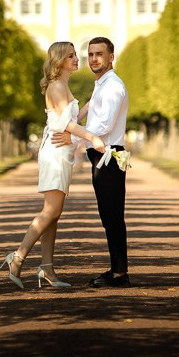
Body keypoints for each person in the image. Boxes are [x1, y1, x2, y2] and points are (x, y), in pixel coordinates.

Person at [0, 41, 106, 291]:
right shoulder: (57, 86)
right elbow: (65, 125)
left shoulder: (62, 85)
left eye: (75, 55)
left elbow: (72, 118)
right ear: (59, 61)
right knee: (50, 211)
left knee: (54, 213)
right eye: (71, 56)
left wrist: (93, 100)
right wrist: (92, 137)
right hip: (55, 153)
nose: (77, 59)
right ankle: (17, 257)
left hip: (61, 153)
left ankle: (47, 268)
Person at [53, 35, 130, 287]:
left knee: (112, 216)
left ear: (111, 57)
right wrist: (73, 120)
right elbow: (92, 106)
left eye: (99, 54)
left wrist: (73, 136)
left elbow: (104, 125)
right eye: (91, 54)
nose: (94, 59)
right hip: (101, 154)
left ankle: (120, 274)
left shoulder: (113, 86)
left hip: (108, 155)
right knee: (109, 215)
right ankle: (118, 270)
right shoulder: (102, 84)